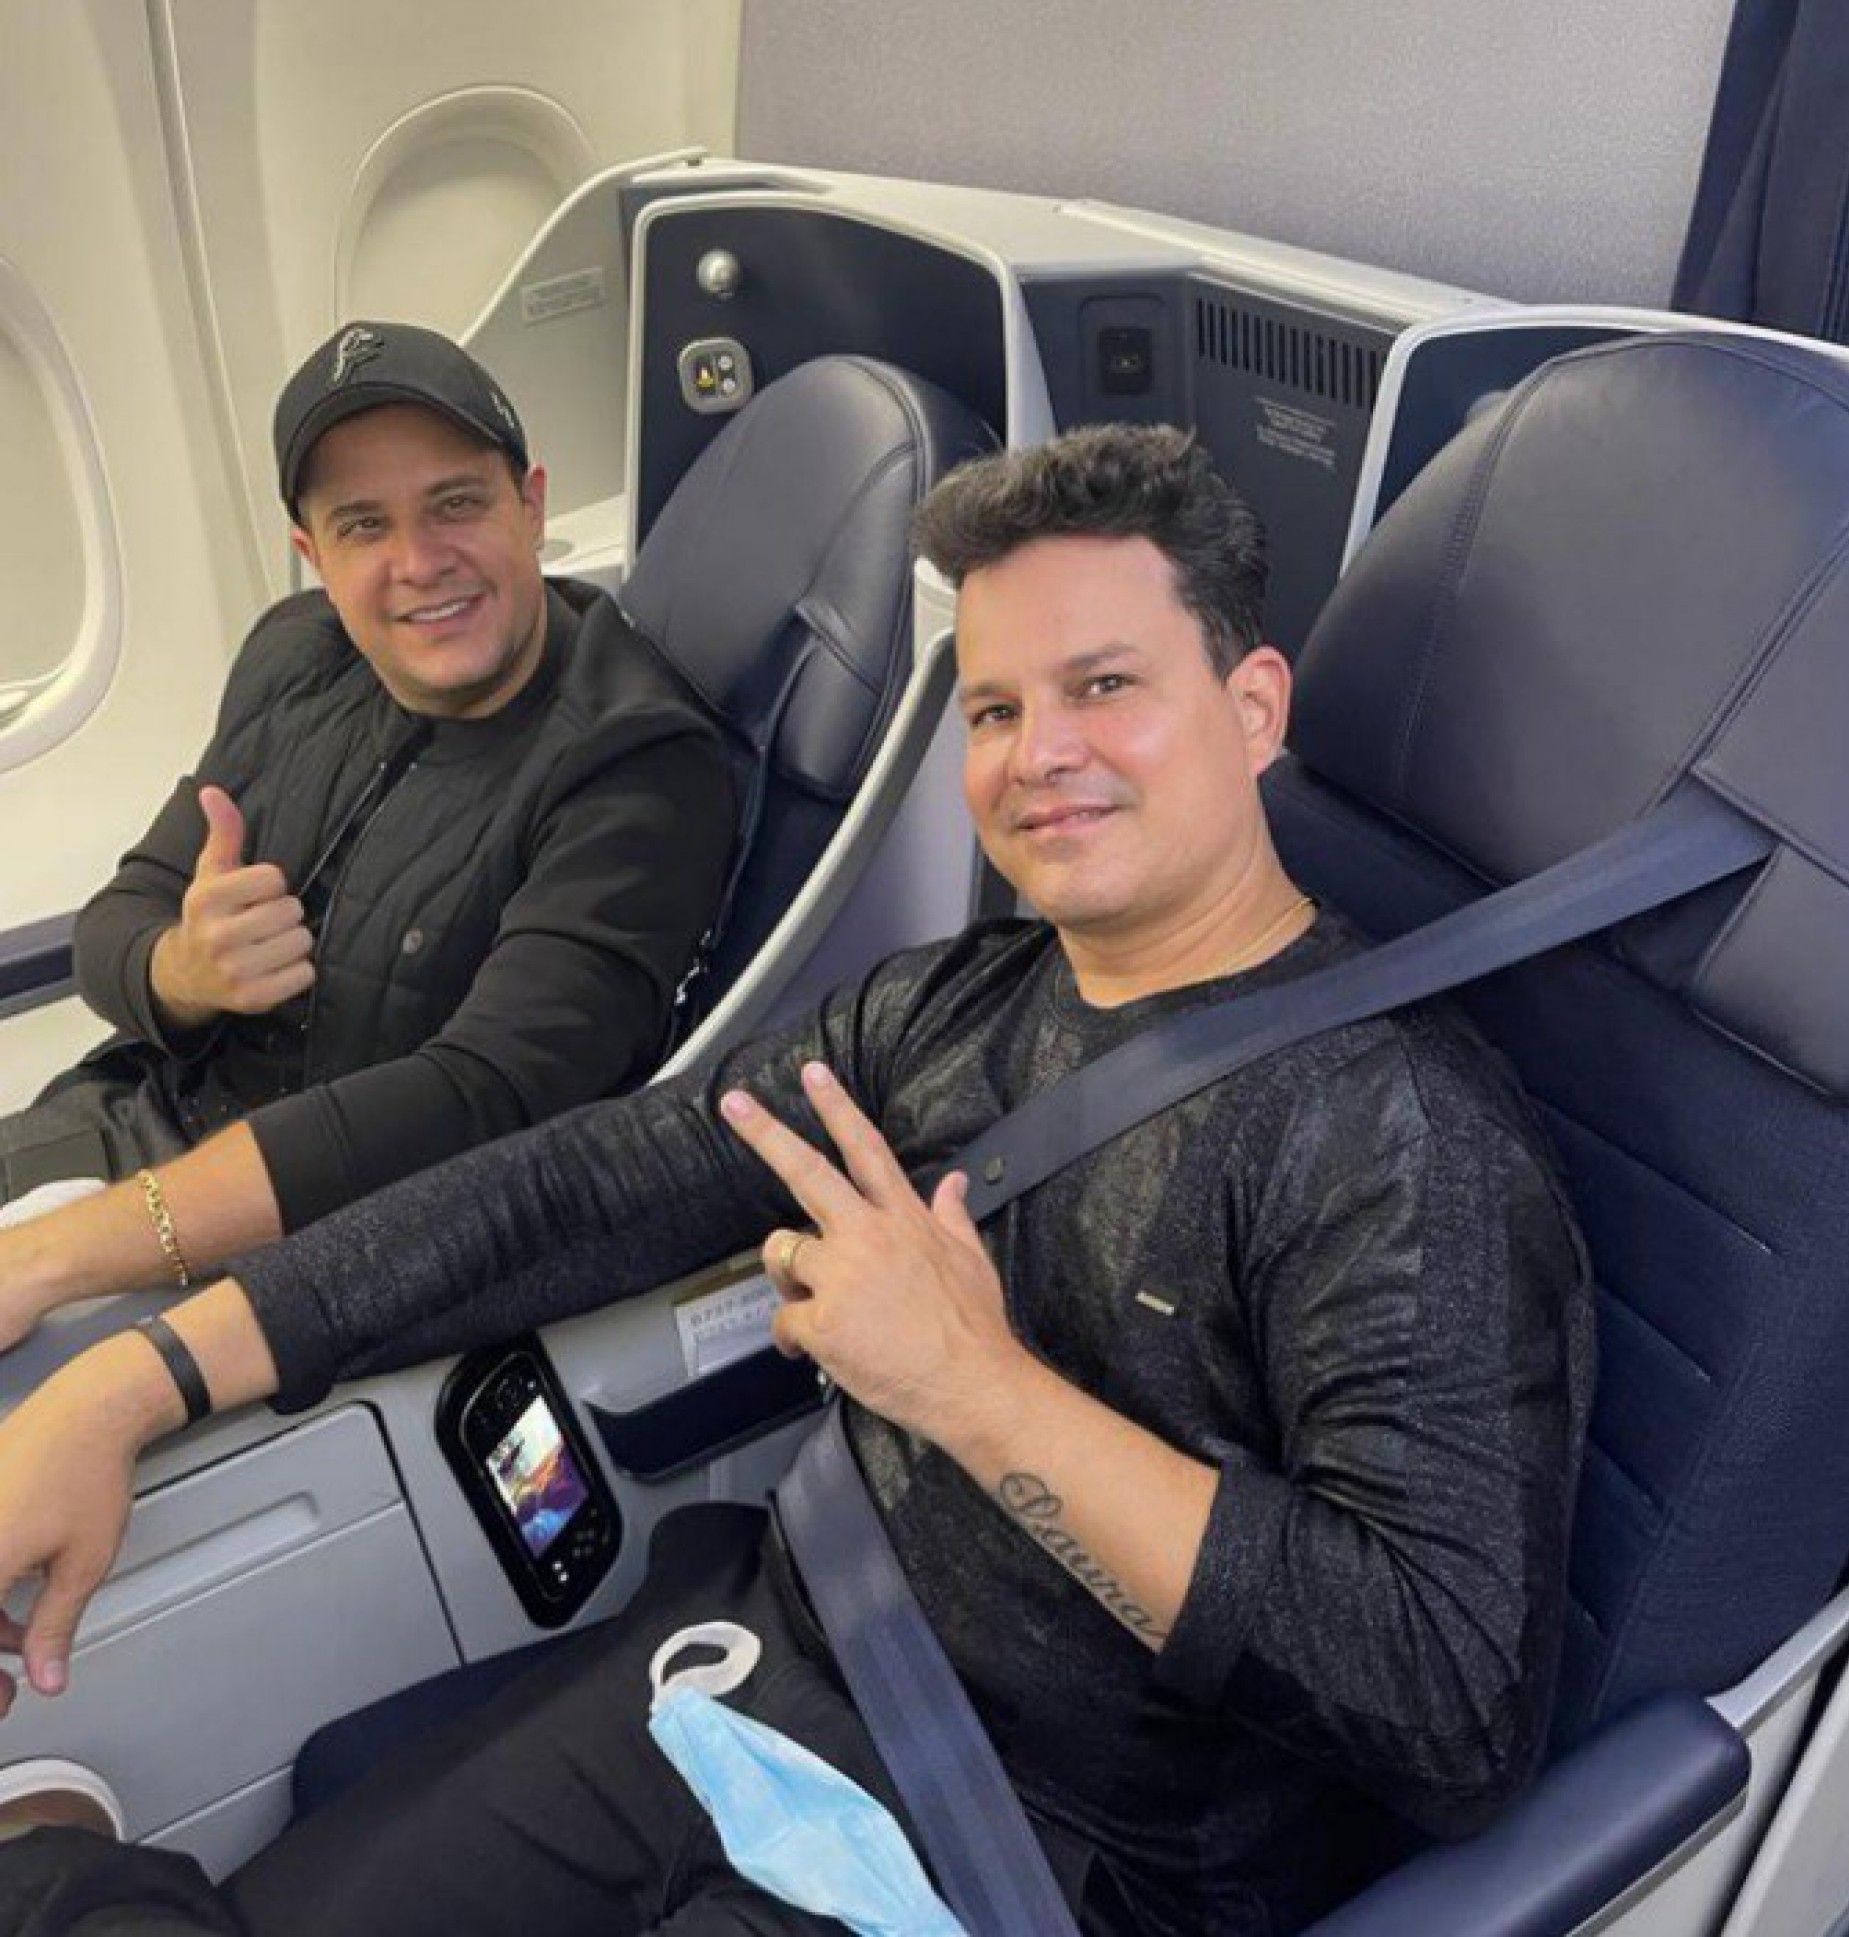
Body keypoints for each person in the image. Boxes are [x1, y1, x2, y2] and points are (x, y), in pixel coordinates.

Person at [0, 425, 1592, 1935]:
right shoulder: (951, 1004)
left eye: (1105, 685)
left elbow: (1447, 1701)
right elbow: (578, 1192)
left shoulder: (1396, 1132)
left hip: (1034, 1850)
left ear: (1252, 709)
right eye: (993, 710)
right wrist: (134, 1378)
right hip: (770, 1656)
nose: (1040, 755)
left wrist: (976, 1388)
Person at [0, 321, 733, 1347]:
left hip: (310, 1263)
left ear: (530, 506)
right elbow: (121, 914)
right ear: (314, 554)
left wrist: (54, 1255)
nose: (419, 562)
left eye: (456, 503)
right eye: (362, 525)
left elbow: (486, 1096)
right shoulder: (297, 655)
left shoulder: (635, 763)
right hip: (114, 1129)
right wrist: (182, 970)